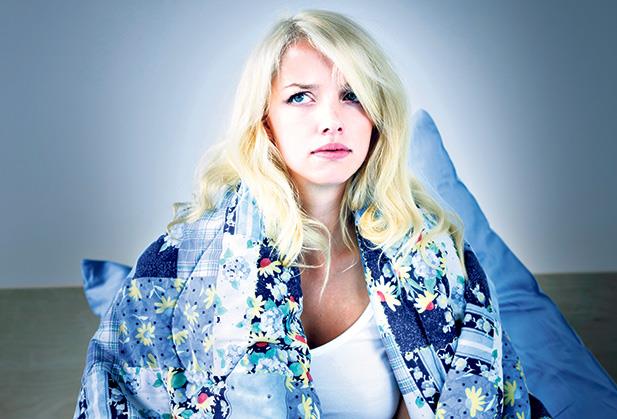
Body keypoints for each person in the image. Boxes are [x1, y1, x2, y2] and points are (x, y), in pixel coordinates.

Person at [74, 9, 552, 419]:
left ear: (377, 118)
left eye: (353, 95)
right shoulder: (184, 262)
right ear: (266, 120)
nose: (331, 120)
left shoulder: (429, 253)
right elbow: (113, 393)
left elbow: (463, 396)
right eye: (300, 97)